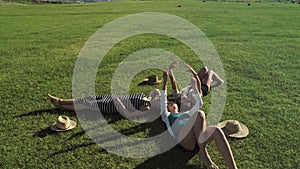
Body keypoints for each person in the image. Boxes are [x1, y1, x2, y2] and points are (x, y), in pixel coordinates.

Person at [160, 68, 237, 169]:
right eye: (169, 104)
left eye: (172, 102)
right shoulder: (167, 116)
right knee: (199, 114)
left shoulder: (187, 112)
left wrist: (194, 86)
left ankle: (234, 168)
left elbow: (199, 103)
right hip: (184, 140)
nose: (171, 103)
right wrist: (165, 82)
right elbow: (163, 100)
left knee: (216, 130)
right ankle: (204, 155)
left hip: (197, 138)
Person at [48, 89, 161, 118]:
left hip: (112, 106)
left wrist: (119, 103)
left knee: (85, 105)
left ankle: (61, 103)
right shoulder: (148, 99)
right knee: (86, 99)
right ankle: (61, 101)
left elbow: (129, 114)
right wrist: (157, 93)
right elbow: (154, 92)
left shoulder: (146, 107)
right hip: (111, 97)